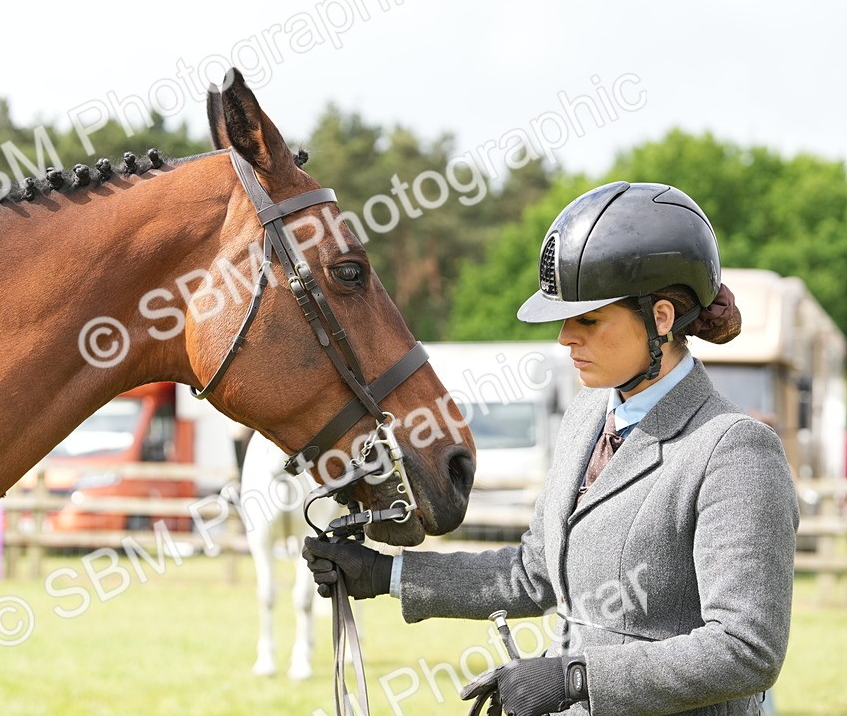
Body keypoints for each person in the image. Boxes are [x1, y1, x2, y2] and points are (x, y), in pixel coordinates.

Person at [303, 182, 799, 716]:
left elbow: (747, 650)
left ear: (659, 318)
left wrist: (577, 676)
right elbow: (533, 573)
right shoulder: (587, 416)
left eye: (587, 320)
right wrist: (387, 575)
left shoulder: (734, 450)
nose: (565, 338)